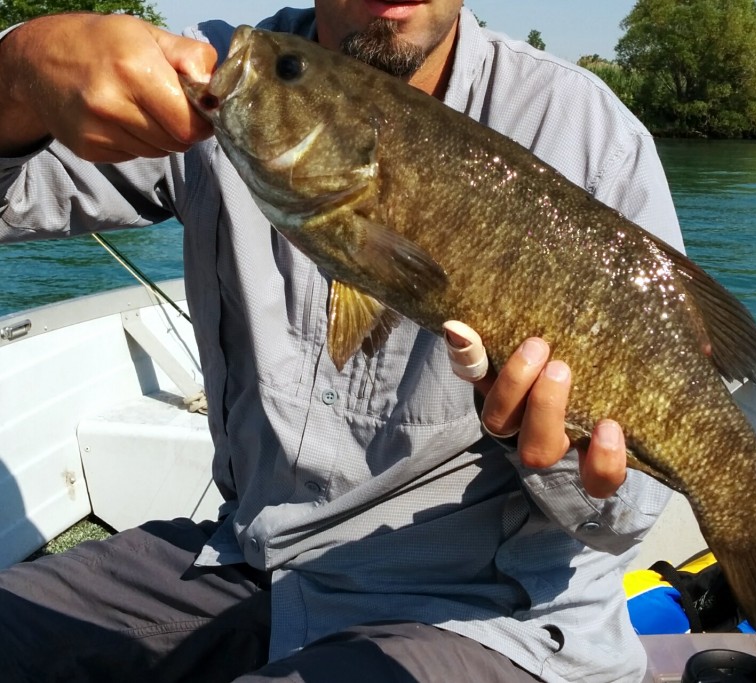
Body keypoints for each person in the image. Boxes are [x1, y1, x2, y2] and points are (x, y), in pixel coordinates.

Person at [0, 2, 683, 681]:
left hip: (490, 612)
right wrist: (19, 74)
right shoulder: (218, 77)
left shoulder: (588, 135)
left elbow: (625, 514)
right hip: (252, 562)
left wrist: (552, 451)